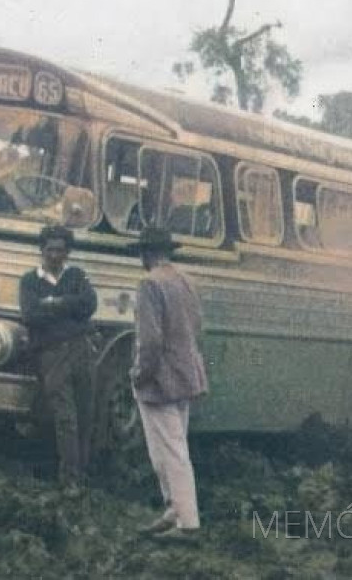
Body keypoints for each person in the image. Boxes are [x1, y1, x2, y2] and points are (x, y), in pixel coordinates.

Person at [129, 227, 208, 541]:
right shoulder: (186, 280)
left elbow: (149, 340)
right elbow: (198, 326)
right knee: (173, 447)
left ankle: (187, 522)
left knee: (169, 451)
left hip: (159, 379)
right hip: (185, 374)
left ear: (146, 254)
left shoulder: (150, 284)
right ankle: (174, 510)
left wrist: (139, 374)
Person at [19, 225, 98, 485]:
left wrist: (54, 303)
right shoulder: (30, 280)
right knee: (65, 416)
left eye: (61, 250)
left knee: (85, 413)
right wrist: (71, 309)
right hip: (51, 354)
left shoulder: (76, 275)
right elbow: (31, 315)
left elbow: (90, 304)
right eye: (50, 250)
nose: (55, 255)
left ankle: (82, 471)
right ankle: (70, 478)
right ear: (42, 251)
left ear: (67, 253)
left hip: (81, 349)